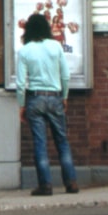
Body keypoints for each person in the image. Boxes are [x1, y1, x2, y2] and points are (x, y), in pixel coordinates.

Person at [15, 12, 79, 196]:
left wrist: (22, 105)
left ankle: (46, 185)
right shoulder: (56, 46)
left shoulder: (25, 50)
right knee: (62, 141)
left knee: (40, 143)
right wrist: (64, 96)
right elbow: (65, 75)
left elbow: (20, 83)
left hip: (35, 98)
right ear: (46, 27)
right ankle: (71, 182)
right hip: (55, 96)